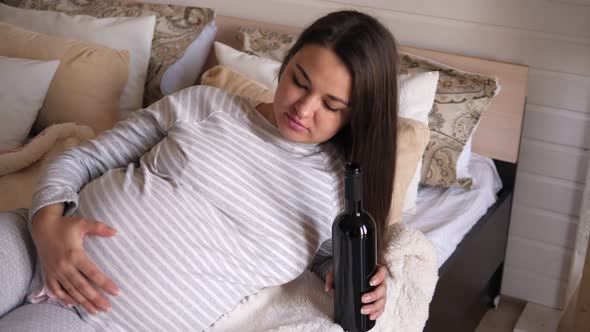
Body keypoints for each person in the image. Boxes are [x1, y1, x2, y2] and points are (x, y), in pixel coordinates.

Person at [1, 10, 399, 331]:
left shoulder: (341, 195)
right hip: (32, 242)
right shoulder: (205, 104)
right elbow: (83, 159)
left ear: (356, 116)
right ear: (287, 62)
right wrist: (47, 226)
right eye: (299, 80)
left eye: (331, 105)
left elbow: (332, 263)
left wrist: (369, 283)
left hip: (98, 318)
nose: (303, 109)